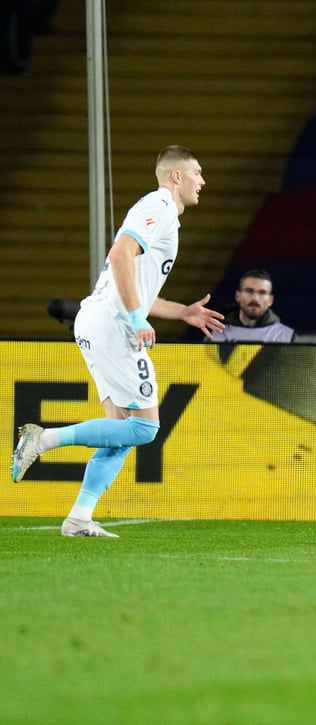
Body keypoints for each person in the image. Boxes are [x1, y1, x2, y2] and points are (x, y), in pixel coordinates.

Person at [10, 146, 225, 537]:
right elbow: (120, 254)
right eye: (197, 172)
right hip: (112, 323)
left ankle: (79, 517)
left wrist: (183, 312)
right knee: (144, 429)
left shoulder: (162, 215)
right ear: (176, 176)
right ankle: (43, 438)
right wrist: (135, 318)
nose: (203, 181)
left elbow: (136, 284)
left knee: (120, 430)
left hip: (97, 320)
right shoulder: (160, 206)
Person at [207, 268, 296, 343]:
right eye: (249, 291)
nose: (255, 298)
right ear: (238, 296)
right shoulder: (215, 334)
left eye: (262, 293)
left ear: (270, 300)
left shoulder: (287, 337)